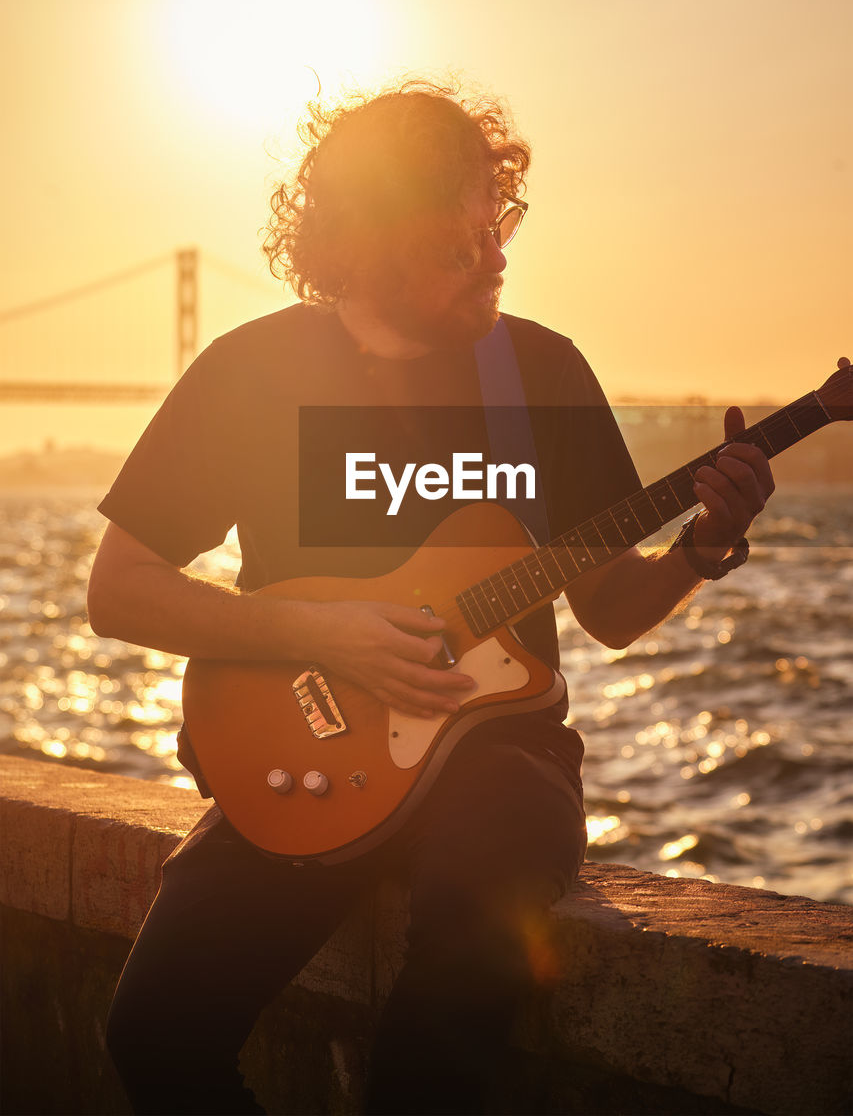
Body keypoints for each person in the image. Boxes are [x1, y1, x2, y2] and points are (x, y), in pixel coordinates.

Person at [88, 80, 774, 1115]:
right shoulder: (251, 374)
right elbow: (118, 590)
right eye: (459, 243)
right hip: (308, 749)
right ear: (363, 245)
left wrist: (703, 545)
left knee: (453, 991)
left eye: (497, 225)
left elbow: (609, 610)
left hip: (501, 757)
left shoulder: (539, 372)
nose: (495, 256)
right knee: (153, 1031)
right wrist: (322, 632)